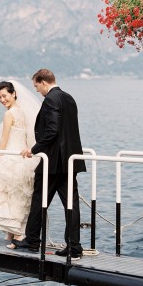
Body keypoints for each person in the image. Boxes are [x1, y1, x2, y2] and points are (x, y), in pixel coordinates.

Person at [11, 68, 86, 259]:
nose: (37, 91)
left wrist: (33, 149)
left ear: (43, 81)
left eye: (36, 86)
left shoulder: (51, 99)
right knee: (71, 204)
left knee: (39, 200)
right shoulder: (69, 98)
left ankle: (32, 240)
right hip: (70, 160)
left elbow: (52, 131)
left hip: (53, 162)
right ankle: (74, 247)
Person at [0, 80, 40, 248]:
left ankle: (18, 234)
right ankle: (13, 232)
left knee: (9, 197)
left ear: (13, 94)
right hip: (22, 158)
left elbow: (4, 139)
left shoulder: (9, 114)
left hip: (10, 157)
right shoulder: (23, 112)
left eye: (4, 95)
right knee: (18, 197)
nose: (2, 99)